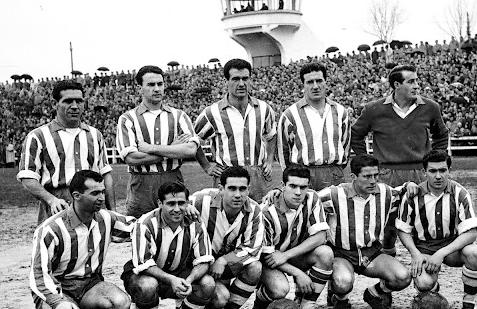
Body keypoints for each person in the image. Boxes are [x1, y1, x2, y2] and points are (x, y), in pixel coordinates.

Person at [30, 170, 135, 309]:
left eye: (103, 192)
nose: (102, 198)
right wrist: (56, 302)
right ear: (76, 196)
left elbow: (141, 228)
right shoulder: (50, 229)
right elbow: (38, 274)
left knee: (121, 303)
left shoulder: (106, 218)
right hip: (58, 289)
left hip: (89, 286)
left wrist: (169, 213)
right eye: (95, 193)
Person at [351, 64, 449, 257]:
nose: (417, 86)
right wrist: (367, 161)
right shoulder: (374, 109)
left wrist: (434, 162)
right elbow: (356, 134)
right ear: (396, 84)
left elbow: (442, 135)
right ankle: (390, 278)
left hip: (420, 173)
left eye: (417, 81)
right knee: (388, 226)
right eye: (411, 81)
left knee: (424, 222)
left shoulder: (430, 108)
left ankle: (427, 276)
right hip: (387, 175)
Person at [121, 182, 215, 309]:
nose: (177, 209)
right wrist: (172, 280)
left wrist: (188, 280)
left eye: (181, 203)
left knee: (207, 283)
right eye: (171, 204)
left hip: (178, 272)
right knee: (147, 285)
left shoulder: (195, 223)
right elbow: (143, 263)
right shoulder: (145, 224)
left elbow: (204, 260)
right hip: (147, 275)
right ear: (159, 204)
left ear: (188, 204)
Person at [318, 155, 414, 309]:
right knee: (342, 282)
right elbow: (307, 198)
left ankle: (373, 294)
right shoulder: (335, 194)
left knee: (403, 277)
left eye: (375, 175)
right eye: (367, 176)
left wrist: (410, 184)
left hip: (371, 253)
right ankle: (340, 299)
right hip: (342, 253)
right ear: (353, 177)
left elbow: (403, 190)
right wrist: (277, 194)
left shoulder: (385, 192)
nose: (373, 181)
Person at [396, 149, 477, 309]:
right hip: (424, 248)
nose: (438, 176)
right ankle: (432, 293)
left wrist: (442, 253)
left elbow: (471, 232)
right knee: (423, 283)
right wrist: (415, 253)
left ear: (449, 170)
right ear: (424, 172)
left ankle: (468, 306)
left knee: (474, 253)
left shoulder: (460, 193)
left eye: (443, 170)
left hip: (451, 247)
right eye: (433, 171)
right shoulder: (413, 195)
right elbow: (403, 229)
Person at [18, 80, 115, 225]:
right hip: (58, 206)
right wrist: (51, 200)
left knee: (93, 245)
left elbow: (105, 174)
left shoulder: (95, 135)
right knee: (58, 245)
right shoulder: (38, 136)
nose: (75, 106)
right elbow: (27, 177)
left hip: (92, 205)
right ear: (55, 104)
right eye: (68, 101)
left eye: (79, 101)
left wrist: (112, 211)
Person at [252, 164, 333, 309]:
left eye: (303, 187)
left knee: (325, 253)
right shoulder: (266, 211)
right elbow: (268, 256)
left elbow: (320, 236)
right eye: (293, 186)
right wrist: (298, 274)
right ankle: (260, 301)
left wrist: (287, 255)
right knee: (280, 289)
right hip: (269, 260)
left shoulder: (312, 198)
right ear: (282, 186)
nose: (298, 192)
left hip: (288, 255)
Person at [189, 166, 264, 309]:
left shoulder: (254, 210)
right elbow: (173, 204)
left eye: (242, 189)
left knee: (254, 267)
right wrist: (185, 207)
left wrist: (223, 260)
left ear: (249, 189)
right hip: (196, 266)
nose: (238, 194)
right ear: (221, 189)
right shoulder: (201, 201)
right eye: (232, 188)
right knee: (218, 296)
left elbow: (253, 247)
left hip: (223, 265)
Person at [116, 65, 199, 218]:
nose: (157, 89)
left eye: (160, 84)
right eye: (151, 84)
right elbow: (131, 158)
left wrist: (151, 148)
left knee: (175, 228)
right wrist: (171, 150)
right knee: (140, 229)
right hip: (142, 183)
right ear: (140, 88)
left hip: (172, 177)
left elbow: (190, 150)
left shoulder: (179, 116)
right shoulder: (128, 119)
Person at [194, 59, 277, 202]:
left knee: (260, 217)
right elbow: (193, 141)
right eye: (235, 79)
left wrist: (269, 161)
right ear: (226, 81)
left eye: (245, 78)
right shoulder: (212, 113)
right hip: (227, 174)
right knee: (227, 219)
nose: (241, 84)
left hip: (257, 174)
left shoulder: (264, 109)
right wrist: (207, 167)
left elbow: (271, 136)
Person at [277, 62, 351, 191]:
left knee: (335, 210)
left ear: (326, 82)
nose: (315, 86)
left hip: (334, 173)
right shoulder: (290, 115)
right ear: (303, 85)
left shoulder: (341, 112)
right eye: (310, 82)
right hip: (303, 174)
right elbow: (283, 152)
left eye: (319, 81)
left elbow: (345, 146)